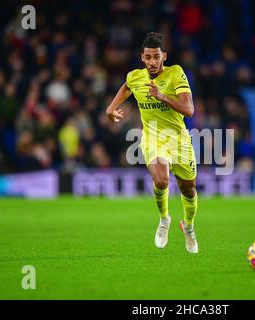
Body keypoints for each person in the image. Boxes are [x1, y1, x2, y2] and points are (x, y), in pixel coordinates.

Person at [105, 32, 199, 253]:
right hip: (153, 137)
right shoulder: (135, 77)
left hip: (179, 139)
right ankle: (164, 219)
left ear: (164, 56)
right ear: (142, 57)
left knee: (189, 190)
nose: (152, 62)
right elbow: (128, 87)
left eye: (156, 57)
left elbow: (189, 110)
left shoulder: (176, 74)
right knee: (161, 179)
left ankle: (188, 226)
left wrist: (163, 96)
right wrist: (111, 107)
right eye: (148, 57)